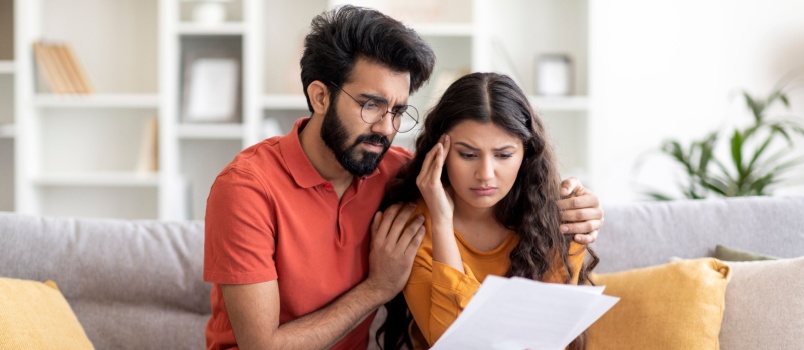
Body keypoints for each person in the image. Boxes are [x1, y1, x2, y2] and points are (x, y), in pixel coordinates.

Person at [203, 6, 603, 350]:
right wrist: (377, 289)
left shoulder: (394, 171)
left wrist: (577, 205)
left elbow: (490, 167)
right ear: (320, 96)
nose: (386, 127)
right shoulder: (246, 188)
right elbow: (262, 346)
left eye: (398, 110)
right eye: (372, 105)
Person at [379, 72, 598, 350]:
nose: (485, 174)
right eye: (468, 154)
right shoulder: (413, 226)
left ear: (527, 153)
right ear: (440, 151)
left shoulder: (557, 221)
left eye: (504, 155)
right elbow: (452, 344)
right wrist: (443, 224)